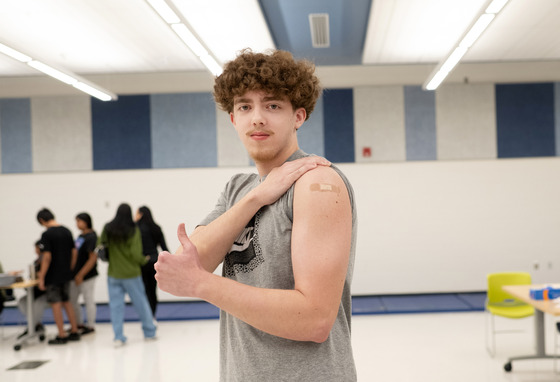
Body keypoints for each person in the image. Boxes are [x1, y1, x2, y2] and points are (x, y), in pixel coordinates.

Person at [155, 49, 357, 381]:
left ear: (298, 116)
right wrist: (256, 197)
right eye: (245, 106)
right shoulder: (239, 189)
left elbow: (315, 319)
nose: (257, 118)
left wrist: (203, 285)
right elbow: (188, 262)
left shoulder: (317, 182)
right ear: (233, 119)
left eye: (273, 105)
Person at [99, 203, 157, 347]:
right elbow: (135, 253)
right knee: (141, 303)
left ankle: (118, 337)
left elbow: (100, 244)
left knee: (116, 307)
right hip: (131, 273)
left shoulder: (108, 228)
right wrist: (144, 260)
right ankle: (149, 332)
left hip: (114, 273)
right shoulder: (133, 230)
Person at [36, 208, 81, 345]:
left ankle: (61, 334)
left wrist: (41, 277)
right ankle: (74, 331)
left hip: (53, 275)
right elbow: (74, 252)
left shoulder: (46, 235)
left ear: (42, 221)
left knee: (55, 304)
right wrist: (70, 268)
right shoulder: (66, 231)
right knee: (67, 302)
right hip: (66, 273)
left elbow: (47, 257)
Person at [135, 206, 168, 317]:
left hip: (142, 262)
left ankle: (146, 316)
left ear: (140, 214)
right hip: (154, 261)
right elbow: (164, 247)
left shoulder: (136, 229)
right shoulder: (156, 227)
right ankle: (152, 315)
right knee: (152, 291)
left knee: (142, 291)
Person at [69, 212, 98, 335]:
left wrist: (81, 274)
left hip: (88, 275)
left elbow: (92, 258)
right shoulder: (80, 236)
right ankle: (78, 323)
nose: (77, 224)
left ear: (86, 221)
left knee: (88, 300)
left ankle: (90, 325)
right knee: (72, 300)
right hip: (76, 275)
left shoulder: (92, 237)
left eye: (79, 221)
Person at [16, 240, 49, 338]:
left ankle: (31, 328)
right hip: (35, 291)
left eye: (36, 248)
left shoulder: (47, 260)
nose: (35, 250)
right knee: (23, 301)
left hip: (45, 292)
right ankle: (36, 325)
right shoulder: (37, 261)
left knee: (38, 303)